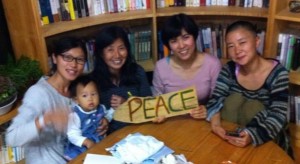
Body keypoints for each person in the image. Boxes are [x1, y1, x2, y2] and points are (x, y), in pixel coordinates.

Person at [5, 37, 107, 164]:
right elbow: (12, 138)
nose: (74, 64)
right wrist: (46, 119)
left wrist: (101, 120)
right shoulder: (38, 93)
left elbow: (84, 117)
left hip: (79, 156)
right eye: (67, 57)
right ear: (54, 58)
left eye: (79, 60)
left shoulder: (78, 88)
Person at [206, 20, 293, 158]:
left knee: (254, 106)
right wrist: (216, 125)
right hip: (230, 135)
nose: (237, 50)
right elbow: (216, 100)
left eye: (242, 42)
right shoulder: (229, 69)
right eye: (231, 46)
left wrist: (253, 135)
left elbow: (278, 115)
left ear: (257, 41)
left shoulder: (278, 74)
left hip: (266, 138)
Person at [152, 13, 222, 120]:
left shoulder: (212, 64)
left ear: (194, 37)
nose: (181, 45)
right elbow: (157, 103)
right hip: (171, 123)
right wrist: (158, 113)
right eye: (174, 41)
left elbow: (218, 101)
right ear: (168, 45)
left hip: (201, 122)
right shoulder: (161, 67)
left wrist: (207, 109)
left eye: (185, 37)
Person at [91, 25, 152, 134]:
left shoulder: (137, 72)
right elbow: (89, 117)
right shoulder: (93, 81)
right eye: (110, 49)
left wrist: (128, 105)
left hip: (141, 133)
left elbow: (150, 107)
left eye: (121, 48)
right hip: (111, 139)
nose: (117, 55)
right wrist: (102, 122)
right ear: (101, 53)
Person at [64, 74, 114, 161]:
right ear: (76, 100)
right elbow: (72, 134)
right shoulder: (75, 115)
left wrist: (112, 112)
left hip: (99, 142)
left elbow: (107, 116)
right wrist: (87, 142)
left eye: (93, 94)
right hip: (81, 147)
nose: (90, 99)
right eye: (84, 96)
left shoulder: (101, 108)